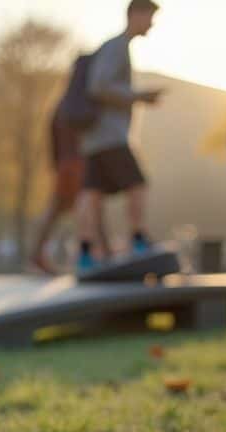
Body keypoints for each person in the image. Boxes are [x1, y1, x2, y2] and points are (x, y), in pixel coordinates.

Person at [75, 0, 162, 273]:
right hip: (110, 136)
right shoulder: (117, 46)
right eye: (149, 17)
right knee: (137, 184)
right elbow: (99, 86)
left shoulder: (112, 46)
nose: (152, 23)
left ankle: (86, 252)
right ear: (135, 14)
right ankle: (138, 239)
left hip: (93, 137)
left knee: (92, 192)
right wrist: (139, 96)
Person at [31, 103, 108, 274]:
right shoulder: (78, 105)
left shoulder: (62, 106)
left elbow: (52, 136)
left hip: (65, 163)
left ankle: (37, 253)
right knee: (90, 206)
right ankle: (96, 254)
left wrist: (57, 164)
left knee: (59, 209)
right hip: (77, 161)